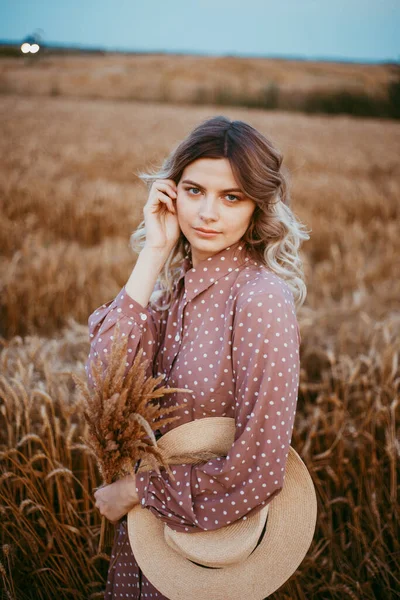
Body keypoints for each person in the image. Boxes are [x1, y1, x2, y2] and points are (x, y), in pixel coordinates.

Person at [85, 115, 310, 599]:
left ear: (258, 207)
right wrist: (154, 254)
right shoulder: (170, 291)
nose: (208, 213)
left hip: (211, 549)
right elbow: (104, 377)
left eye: (232, 197)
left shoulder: (258, 299)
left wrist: (139, 492)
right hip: (151, 540)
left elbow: (260, 466)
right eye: (194, 191)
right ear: (171, 193)